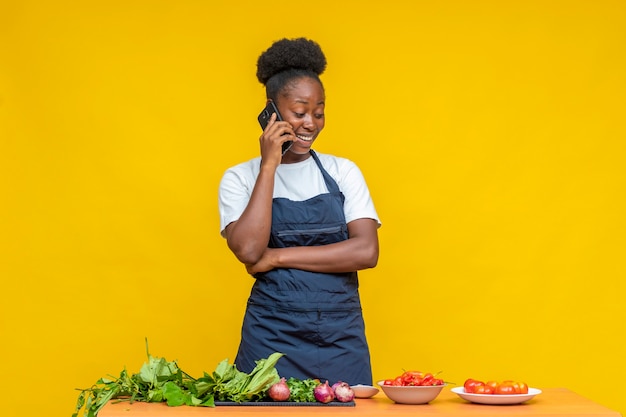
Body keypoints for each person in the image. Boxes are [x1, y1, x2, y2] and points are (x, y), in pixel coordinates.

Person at [218, 37, 381, 385]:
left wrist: (276, 258)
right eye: (300, 112)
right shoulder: (240, 177)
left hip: (340, 337)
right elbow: (247, 250)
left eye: (319, 112)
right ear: (272, 111)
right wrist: (268, 166)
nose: (311, 123)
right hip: (270, 337)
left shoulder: (343, 172)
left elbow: (366, 251)